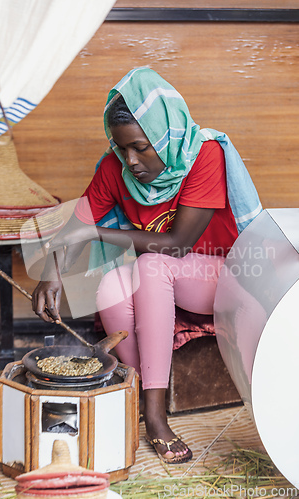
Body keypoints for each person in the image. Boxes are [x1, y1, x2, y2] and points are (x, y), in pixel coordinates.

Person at [32, 67, 262, 464]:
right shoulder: (114, 168)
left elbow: (177, 245)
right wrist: (50, 274)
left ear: (164, 135)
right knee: (111, 285)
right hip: (161, 281)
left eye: (141, 147)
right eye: (123, 149)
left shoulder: (203, 154)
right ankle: (138, 393)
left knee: (153, 264)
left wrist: (96, 234)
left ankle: (155, 418)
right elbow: (75, 228)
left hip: (223, 280)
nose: (132, 161)